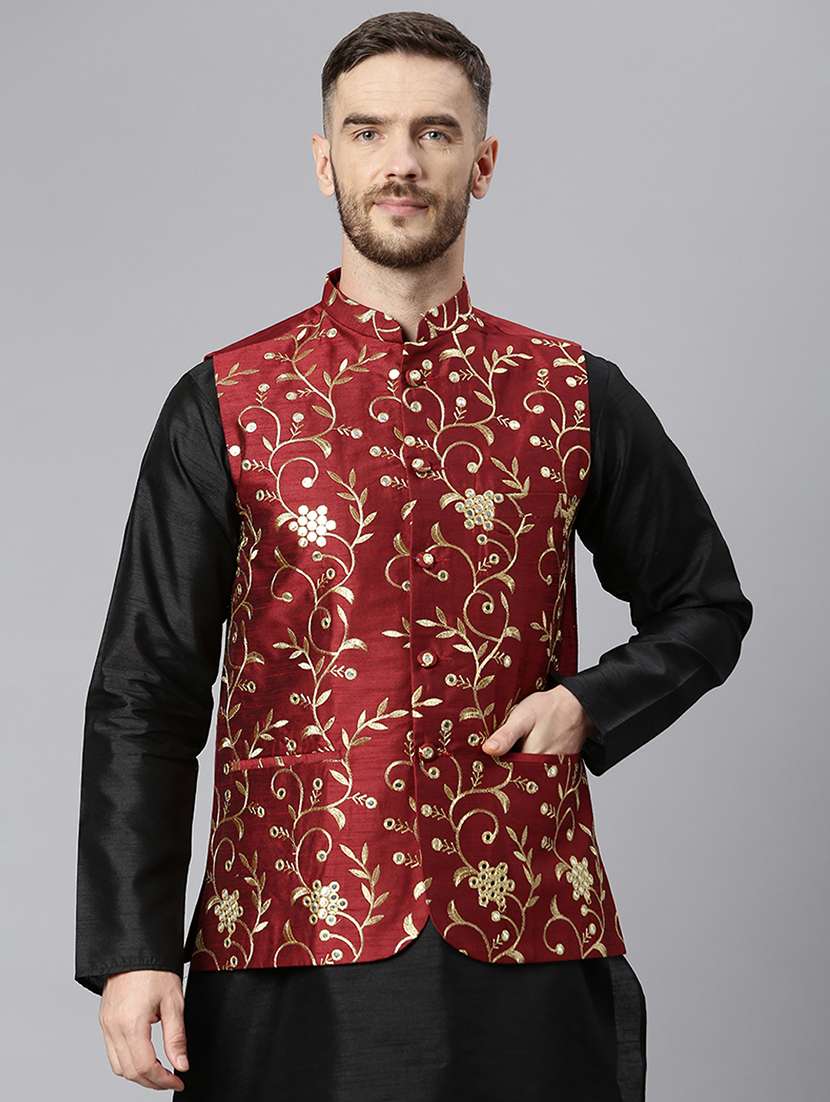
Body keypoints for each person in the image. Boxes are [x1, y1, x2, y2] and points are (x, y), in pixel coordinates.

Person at [74, 12, 753, 1101]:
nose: (400, 162)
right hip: (289, 934)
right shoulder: (226, 403)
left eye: (435, 132)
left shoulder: (570, 392)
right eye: (368, 132)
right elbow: (143, 687)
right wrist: (132, 947)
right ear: (324, 160)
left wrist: (590, 705)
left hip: (525, 919)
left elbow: (704, 604)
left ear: (482, 162)